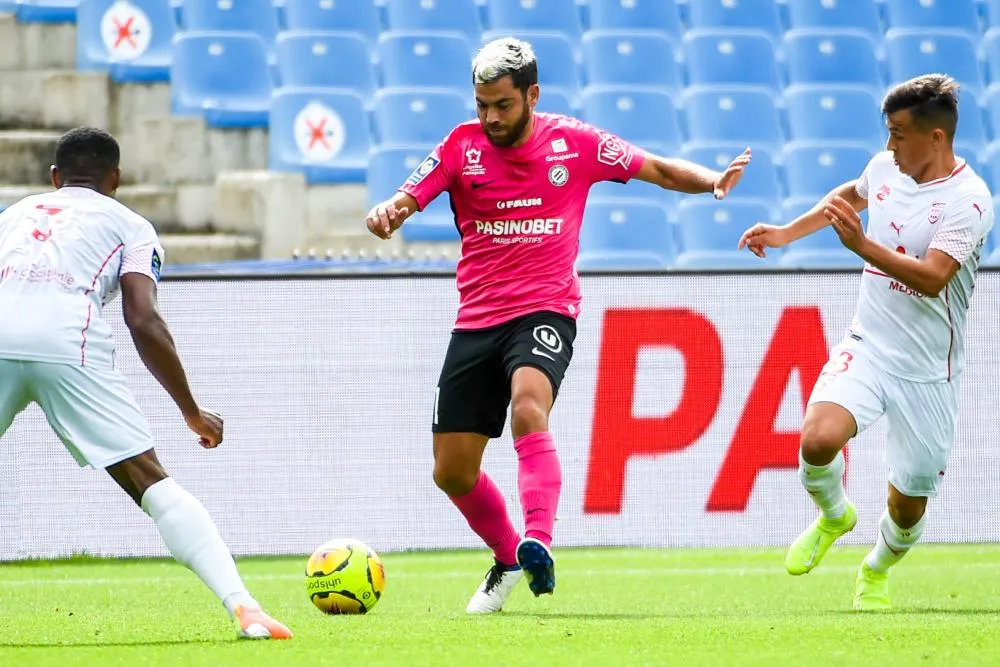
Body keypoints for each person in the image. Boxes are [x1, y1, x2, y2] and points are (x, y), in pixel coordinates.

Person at [366, 37, 751, 614]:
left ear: (532, 95)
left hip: (545, 311)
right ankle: (508, 557)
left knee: (528, 406)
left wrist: (712, 181)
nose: (491, 117)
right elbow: (407, 194)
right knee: (451, 471)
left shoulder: (574, 143)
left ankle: (539, 537)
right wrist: (388, 210)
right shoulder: (460, 146)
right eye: (482, 105)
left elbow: (659, 169)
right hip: (476, 320)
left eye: (502, 104)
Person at [0, 127, 292, 640]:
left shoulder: (14, 214)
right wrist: (191, 411)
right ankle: (245, 608)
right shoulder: (131, 225)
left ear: (53, 177)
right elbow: (143, 319)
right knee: (148, 479)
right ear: (116, 178)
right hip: (69, 344)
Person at [739, 74, 994, 610]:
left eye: (899, 134)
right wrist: (785, 232)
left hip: (928, 370)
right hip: (870, 344)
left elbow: (931, 278)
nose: (889, 146)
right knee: (817, 438)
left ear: (936, 139)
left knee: (907, 507)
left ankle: (875, 568)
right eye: (888, 132)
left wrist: (861, 246)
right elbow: (848, 196)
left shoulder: (969, 202)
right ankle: (835, 516)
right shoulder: (884, 168)